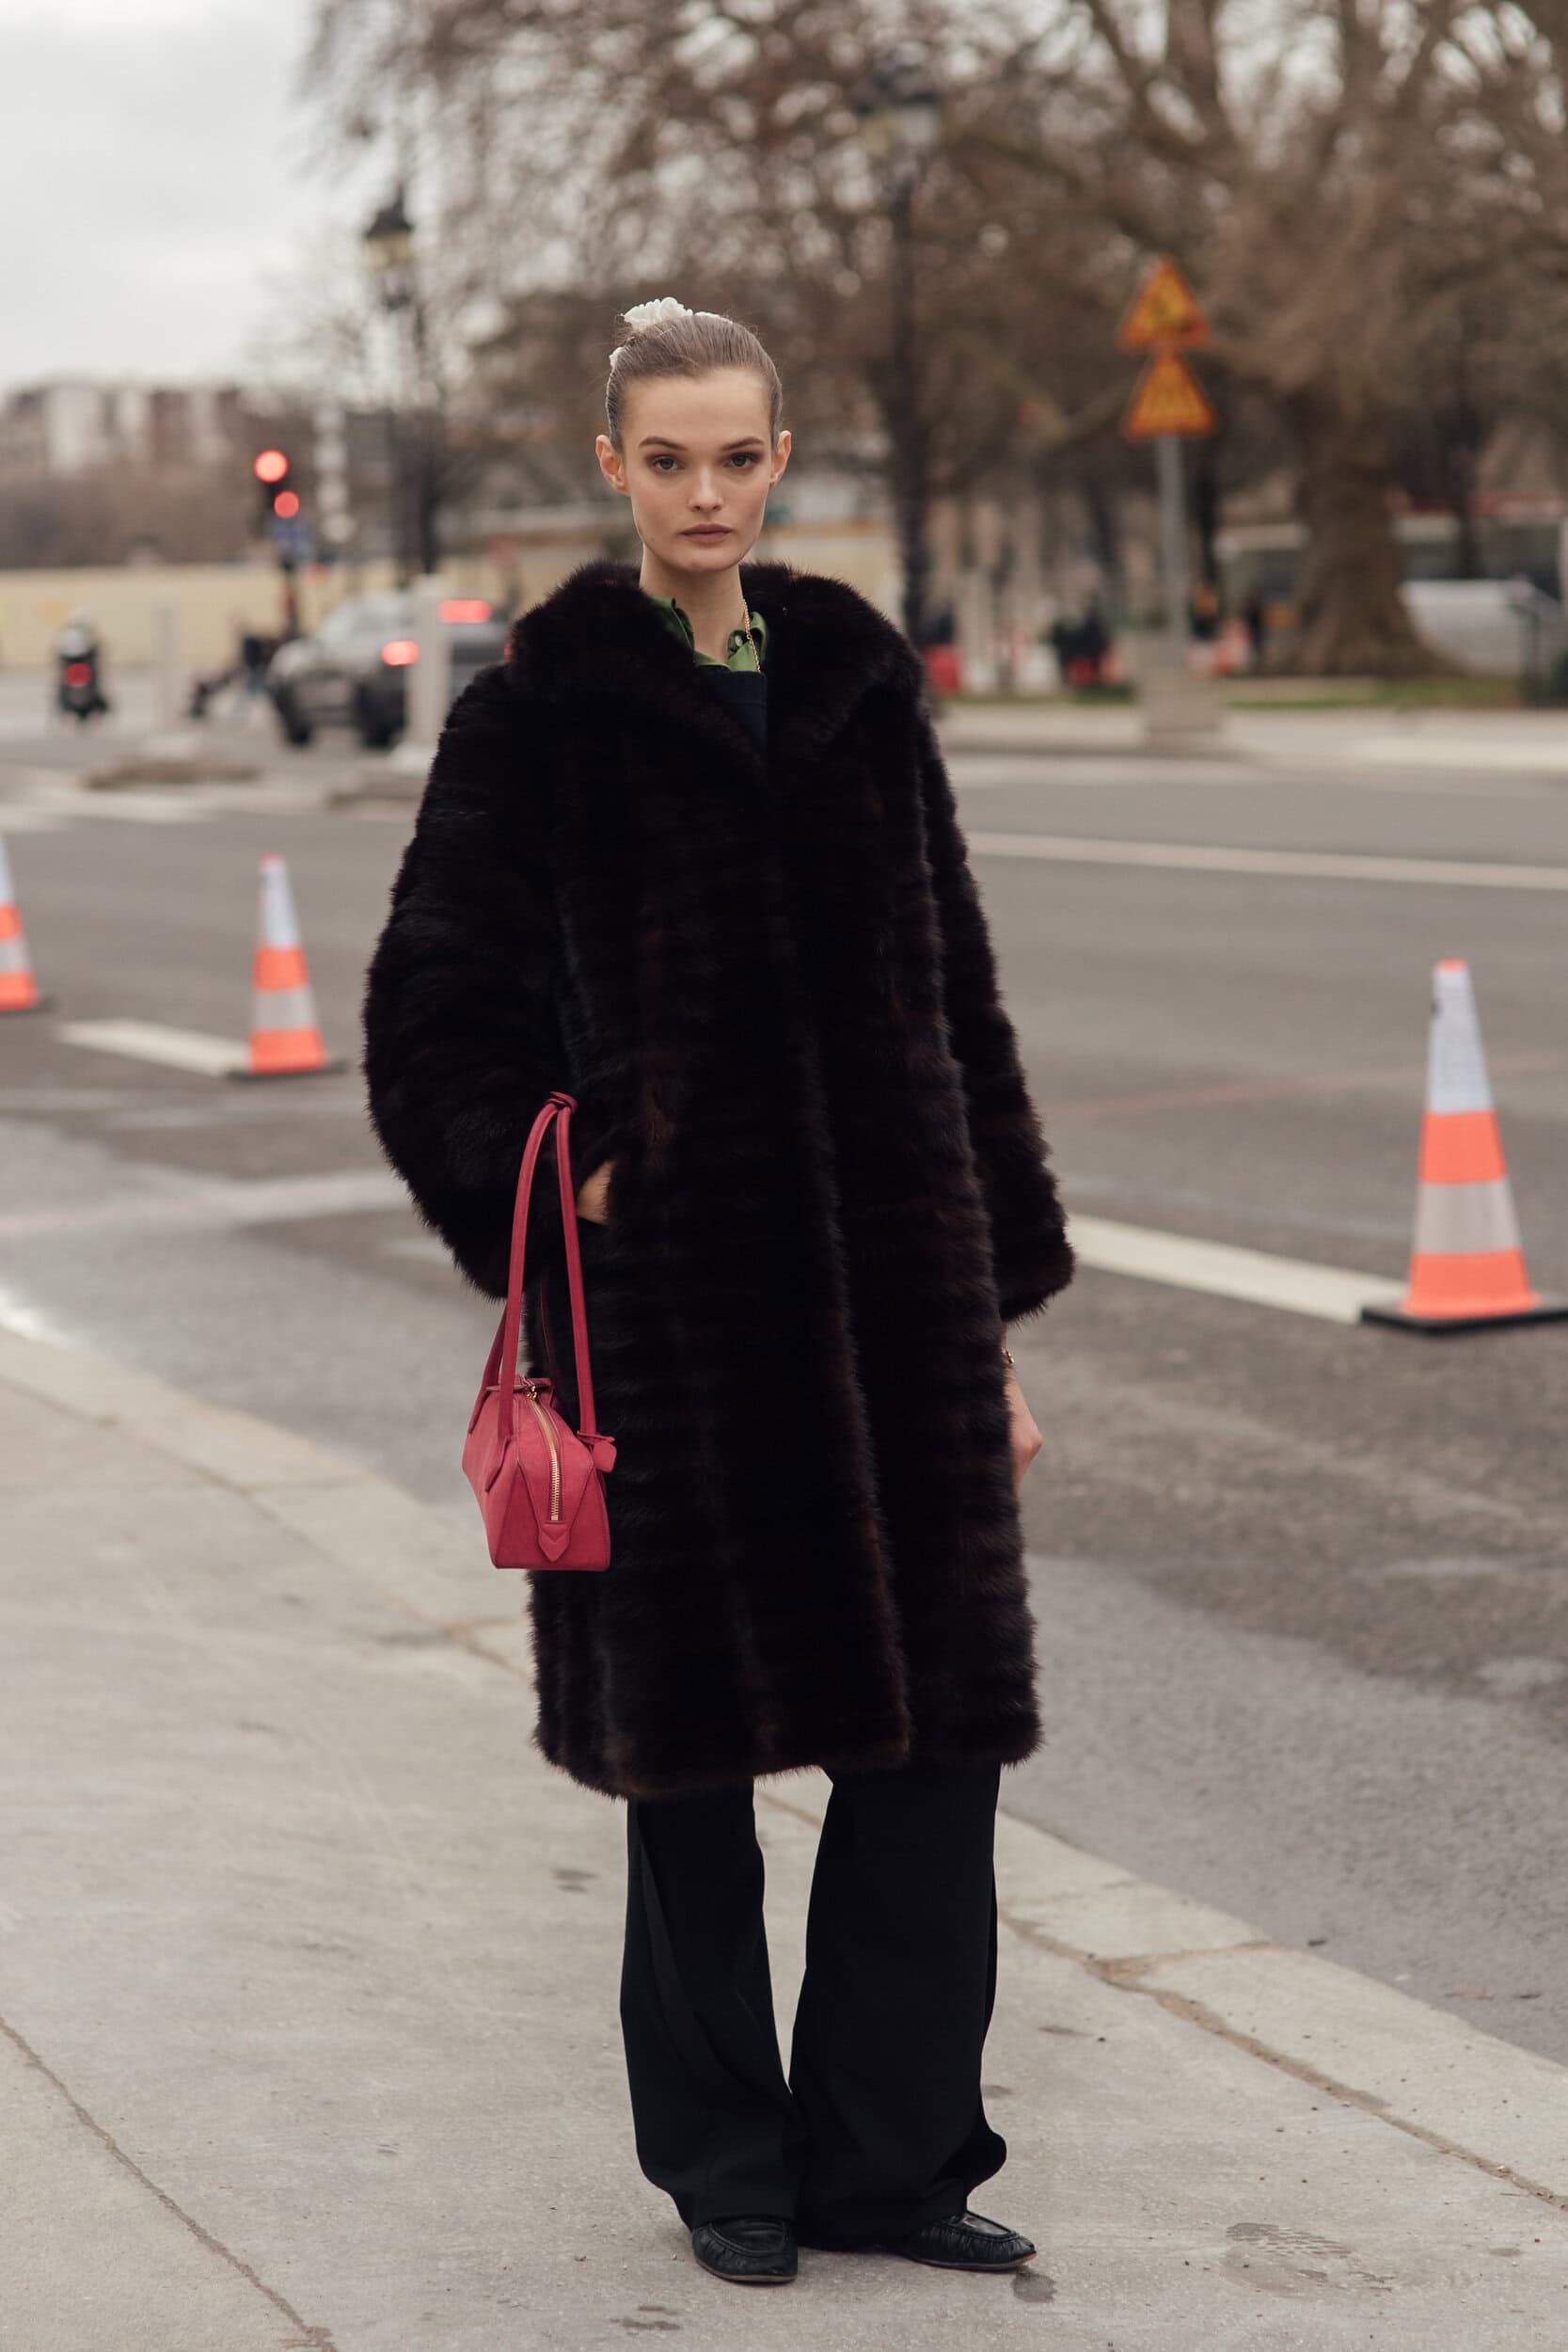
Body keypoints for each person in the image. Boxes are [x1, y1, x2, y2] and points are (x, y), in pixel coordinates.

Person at [362, 296, 1075, 2290]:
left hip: (896, 1309)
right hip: (667, 1322)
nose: (703, 491)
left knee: (931, 1742)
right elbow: (429, 1016)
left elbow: (958, 1011)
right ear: (614, 464)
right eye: (666, 456)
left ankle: (889, 2155)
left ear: (781, 458)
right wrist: (585, 1175)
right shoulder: (542, 711)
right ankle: (729, 2159)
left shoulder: (857, 685)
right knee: (691, 1757)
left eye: (736, 456)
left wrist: (991, 1316)